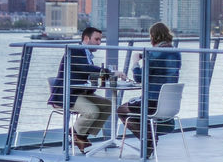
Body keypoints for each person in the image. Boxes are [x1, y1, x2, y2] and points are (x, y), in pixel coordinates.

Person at [50, 25, 127, 152]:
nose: (99, 43)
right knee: (92, 111)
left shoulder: (86, 54)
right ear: (86, 38)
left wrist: (103, 76)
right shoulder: (75, 50)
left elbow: (87, 71)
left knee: (108, 105)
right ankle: (75, 133)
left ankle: (80, 136)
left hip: (82, 92)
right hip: (69, 94)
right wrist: (111, 72)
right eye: (96, 39)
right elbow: (85, 68)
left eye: (100, 40)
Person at [119, 21, 181, 154]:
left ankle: (149, 139)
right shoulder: (176, 53)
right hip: (169, 103)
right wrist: (147, 57)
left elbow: (139, 78)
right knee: (137, 110)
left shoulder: (155, 53)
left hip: (152, 103)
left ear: (153, 36)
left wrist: (136, 61)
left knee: (122, 110)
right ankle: (149, 137)